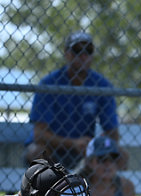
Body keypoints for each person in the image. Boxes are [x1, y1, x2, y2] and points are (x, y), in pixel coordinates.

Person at [25, 31, 127, 171]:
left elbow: (112, 131)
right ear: (67, 54)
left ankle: (107, 186)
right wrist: (72, 143)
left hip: (84, 150)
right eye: (77, 50)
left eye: (88, 51)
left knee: (121, 155)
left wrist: (97, 145)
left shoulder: (102, 85)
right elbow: (39, 134)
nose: (83, 56)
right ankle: (52, 183)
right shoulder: (49, 83)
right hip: (52, 147)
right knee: (37, 152)